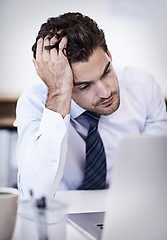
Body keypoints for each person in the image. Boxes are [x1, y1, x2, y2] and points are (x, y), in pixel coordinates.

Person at [14, 12, 167, 199]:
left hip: (127, 205)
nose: (105, 92)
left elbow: (158, 173)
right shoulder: (35, 101)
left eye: (106, 72)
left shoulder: (143, 86)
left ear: (109, 56)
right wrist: (59, 92)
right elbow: (35, 194)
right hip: (63, 215)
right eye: (85, 86)